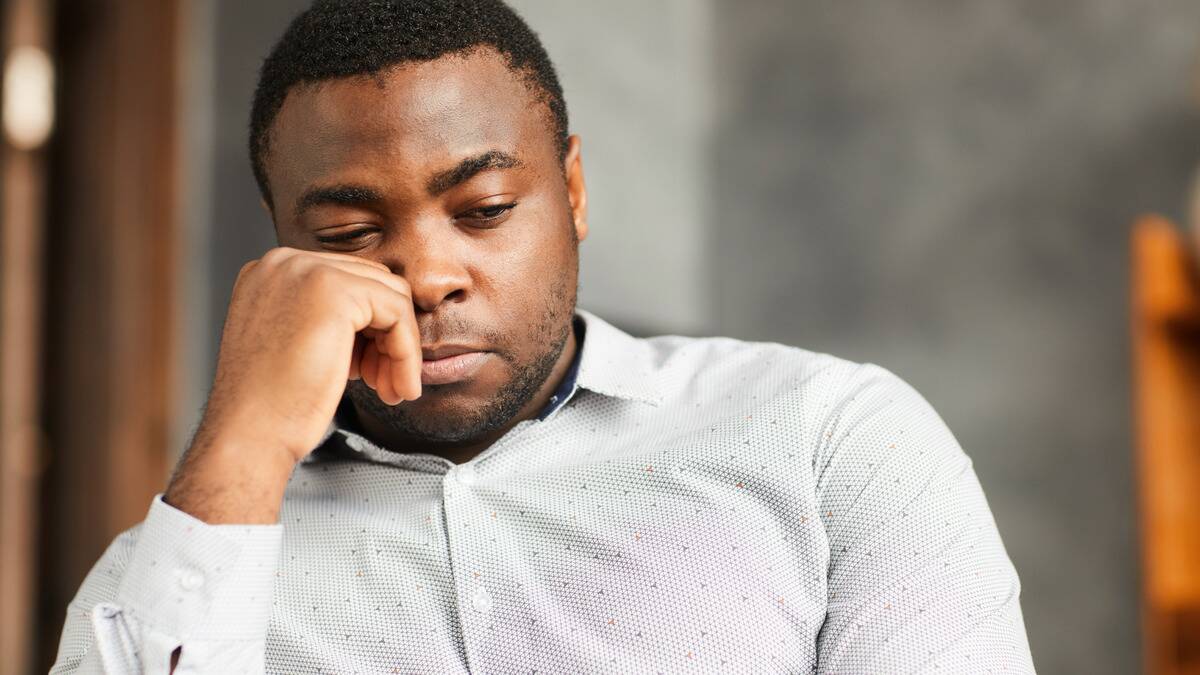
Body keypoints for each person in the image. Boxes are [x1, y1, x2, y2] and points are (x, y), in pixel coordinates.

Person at [51, 1, 1035, 672]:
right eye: (350, 236)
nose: (427, 275)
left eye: (481, 207)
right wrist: (240, 447)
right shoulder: (173, 572)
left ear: (571, 191)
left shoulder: (828, 442)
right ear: (285, 257)